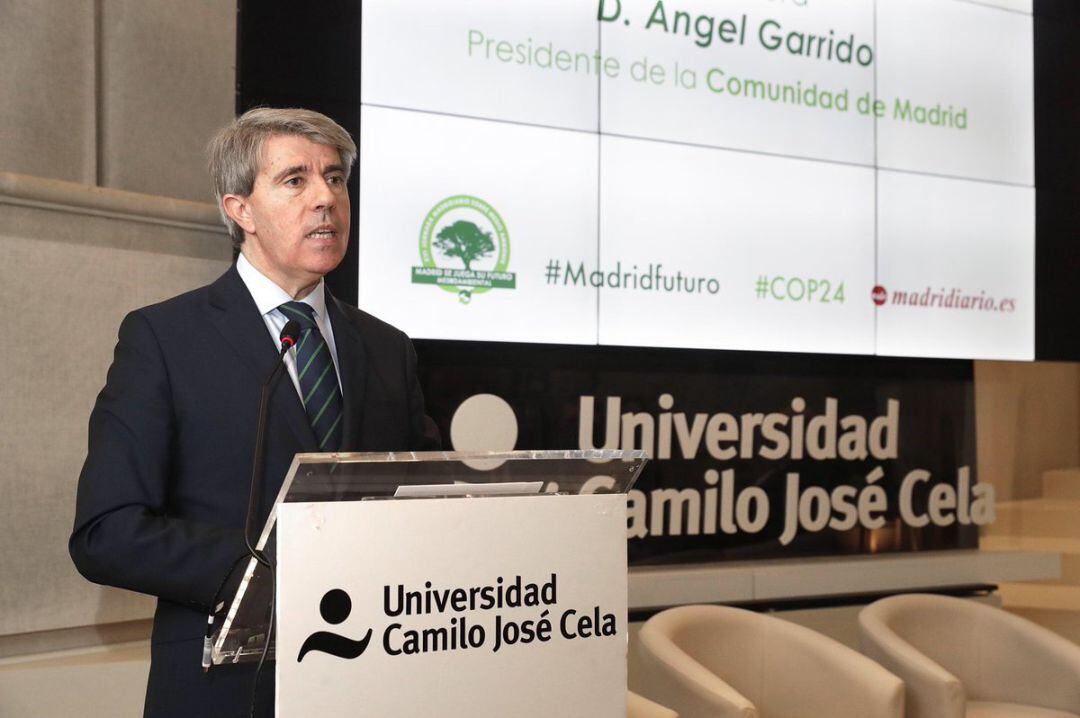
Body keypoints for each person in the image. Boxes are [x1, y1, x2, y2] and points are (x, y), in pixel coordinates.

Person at [69, 107, 439, 717]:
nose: (325, 198)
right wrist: (275, 574)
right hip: (229, 685)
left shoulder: (387, 347)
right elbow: (107, 533)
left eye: (336, 179)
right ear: (239, 208)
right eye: (295, 180)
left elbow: (422, 502)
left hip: (375, 682)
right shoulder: (165, 339)